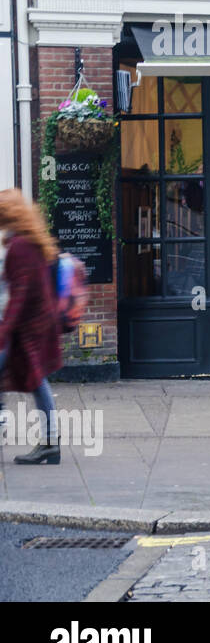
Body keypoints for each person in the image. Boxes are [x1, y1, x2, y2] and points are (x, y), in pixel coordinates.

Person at [0, 189, 63, 465]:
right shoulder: (28, 242)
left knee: (37, 382)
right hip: (33, 326)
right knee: (36, 382)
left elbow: (20, 294)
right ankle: (50, 443)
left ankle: (50, 443)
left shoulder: (20, 247)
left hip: (26, 328)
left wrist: (4, 331)